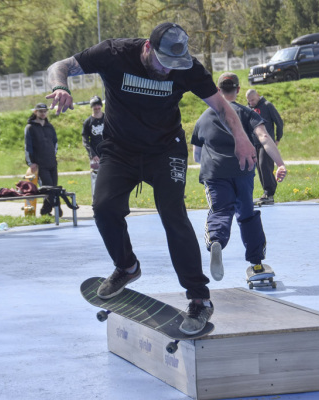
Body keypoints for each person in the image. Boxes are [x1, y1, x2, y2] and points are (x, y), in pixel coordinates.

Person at [46, 22, 257, 335]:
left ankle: (199, 298)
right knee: (104, 208)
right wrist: (60, 87)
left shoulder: (188, 67)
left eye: (174, 65)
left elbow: (221, 106)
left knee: (173, 214)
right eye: (163, 63)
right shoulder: (113, 53)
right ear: (147, 47)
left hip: (165, 149)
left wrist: (241, 137)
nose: (168, 70)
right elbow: (60, 66)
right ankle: (127, 266)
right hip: (120, 150)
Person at [193, 73, 287, 281]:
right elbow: (264, 137)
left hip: (215, 173)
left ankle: (216, 242)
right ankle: (257, 263)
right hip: (243, 171)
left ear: (218, 90)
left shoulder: (204, 118)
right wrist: (280, 164)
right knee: (246, 214)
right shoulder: (247, 112)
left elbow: (196, 155)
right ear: (237, 90)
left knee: (220, 211)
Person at [246, 89, 284, 205]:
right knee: (259, 167)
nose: (251, 102)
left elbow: (279, 122)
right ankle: (265, 192)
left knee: (264, 165)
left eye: (253, 100)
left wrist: (277, 139)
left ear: (258, 96)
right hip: (254, 143)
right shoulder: (248, 109)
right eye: (249, 101)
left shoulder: (267, 106)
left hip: (267, 143)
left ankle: (269, 193)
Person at [24, 103, 59, 216]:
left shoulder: (50, 127)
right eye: (40, 111)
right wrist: (31, 163)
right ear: (35, 112)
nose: (43, 113)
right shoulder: (30, 128)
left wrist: (53, 156)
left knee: (54, 187)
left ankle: (45, 211)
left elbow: (55, 143)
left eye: (45, 111)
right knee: (48, 188)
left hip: (52, 162)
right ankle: (57, 208)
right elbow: (28, 147)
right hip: (40, 164)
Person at [81, 95, 105, 199]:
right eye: (94, 105)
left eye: (98, 105)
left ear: (101, 105)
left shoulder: (108, 118)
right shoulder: (88, 122)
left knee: (110, 177)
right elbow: (85, 140)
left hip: (108, 153)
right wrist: (92, 154)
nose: (97, 107)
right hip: (95, 155)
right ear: (91, 107)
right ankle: (96, 200)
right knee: (96, 178)